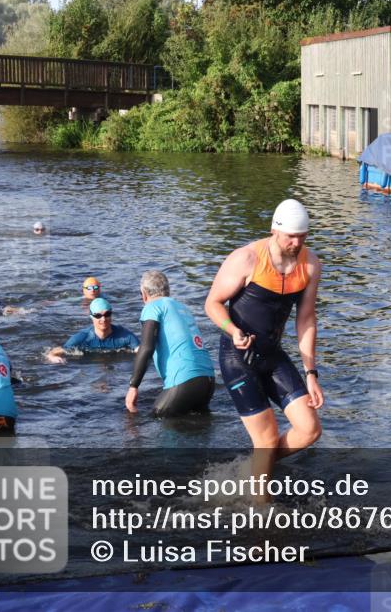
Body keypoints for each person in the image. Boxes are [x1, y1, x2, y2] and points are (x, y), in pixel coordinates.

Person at [204, 198, 324, 495]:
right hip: (238, 356)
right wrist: (232, 330)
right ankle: (261, 515)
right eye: (290, 236)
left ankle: (253, 470)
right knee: (267, 439)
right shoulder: (246, 259)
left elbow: (306, 319)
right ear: (274, 230)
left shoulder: (310, 265)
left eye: (302, 236)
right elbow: (212, 303)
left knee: (310, 429)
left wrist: (311, 373)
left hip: (272, 355)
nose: (296, 243)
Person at [126, 271, 215, 417]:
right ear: (168, 290)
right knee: (197, 431)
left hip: (184, 381)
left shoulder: (152, 307)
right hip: (208, 380)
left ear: (144, 293)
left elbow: (147, 347)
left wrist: (133, 386)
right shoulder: (182, 308)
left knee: (152, 421)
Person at [46, 298, 140, 364]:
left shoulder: (125, 336)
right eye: (98, 316)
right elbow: (58, 350)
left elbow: (142, 350)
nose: (103, 319)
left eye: (107, 314)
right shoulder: (82, 337)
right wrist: (52, 357)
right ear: (91, 317)